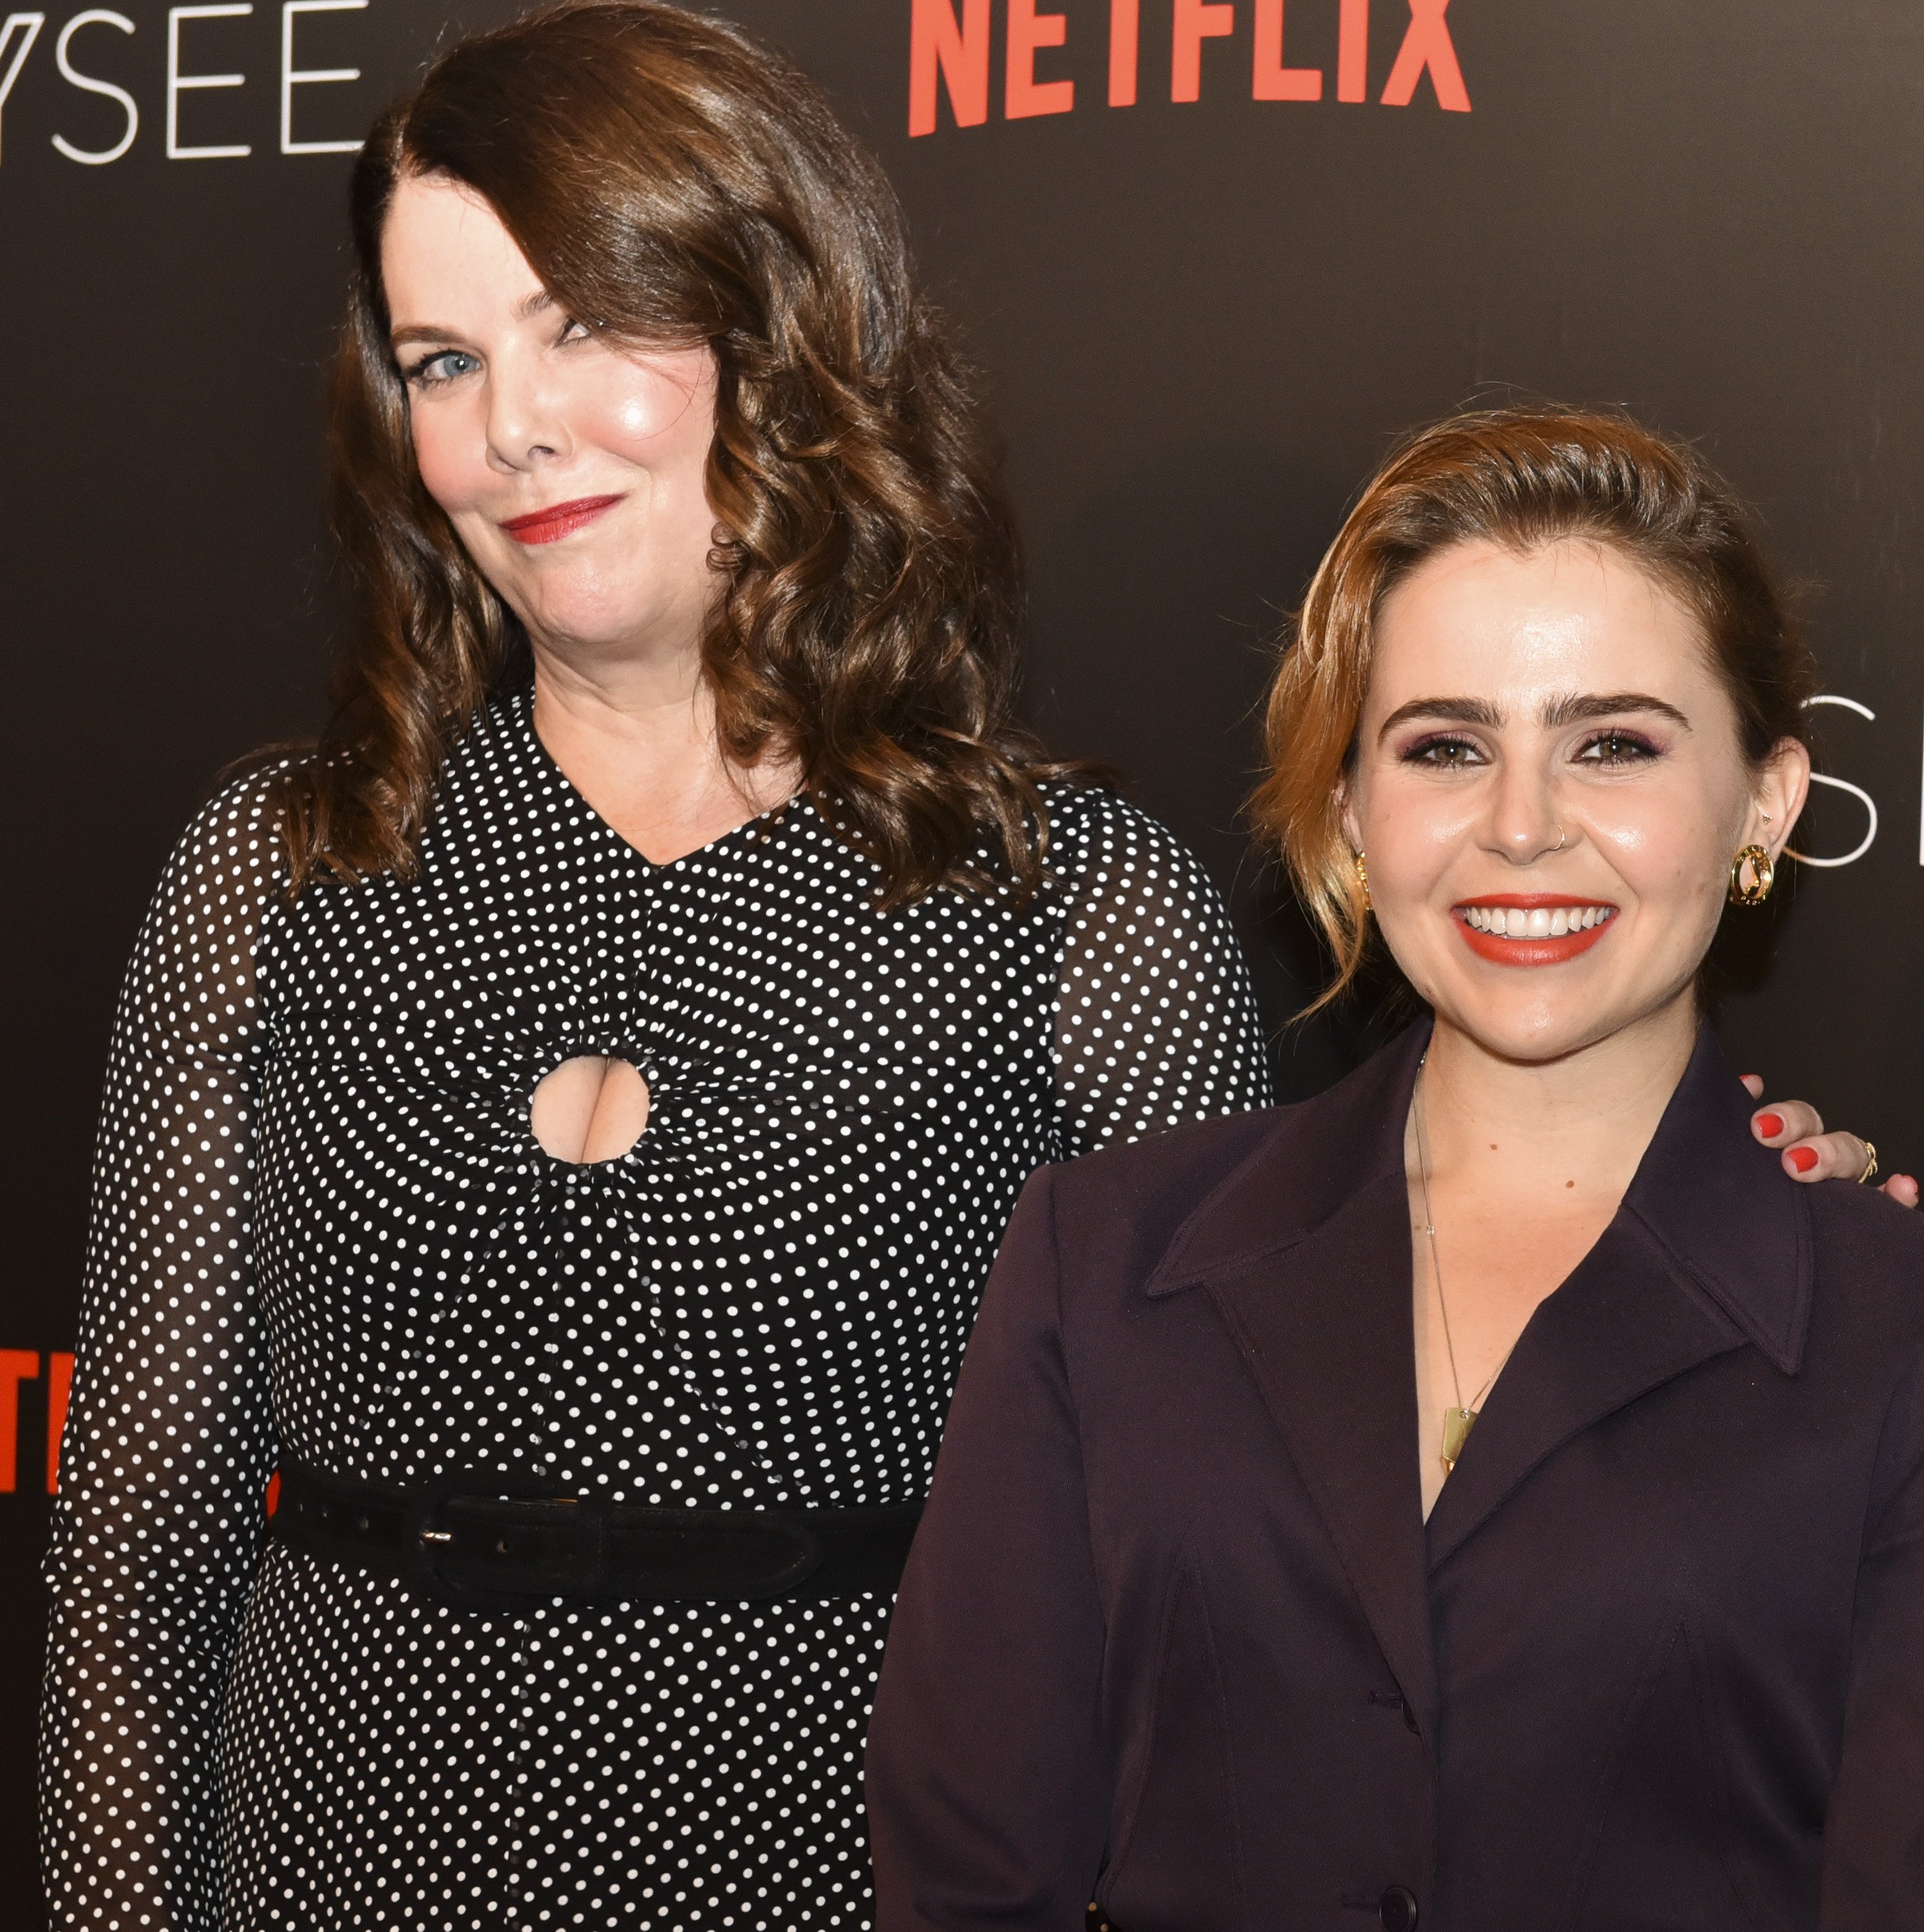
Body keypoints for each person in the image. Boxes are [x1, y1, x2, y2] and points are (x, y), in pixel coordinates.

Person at [32, 4, 1277, 1926]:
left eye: (585, 325)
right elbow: (135, 1567)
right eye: (446, 358)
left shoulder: (1069, 910)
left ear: (779, 333)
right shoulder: (284, 866)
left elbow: (1209, 1615)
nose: (510, 426)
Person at [866, 408, 1924, 1931]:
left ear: (1765, 803)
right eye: (1446, 746)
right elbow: (971, 1878)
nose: (1522, 825)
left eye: (1615, 745)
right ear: (1350, 811)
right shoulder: (1103, 1259)